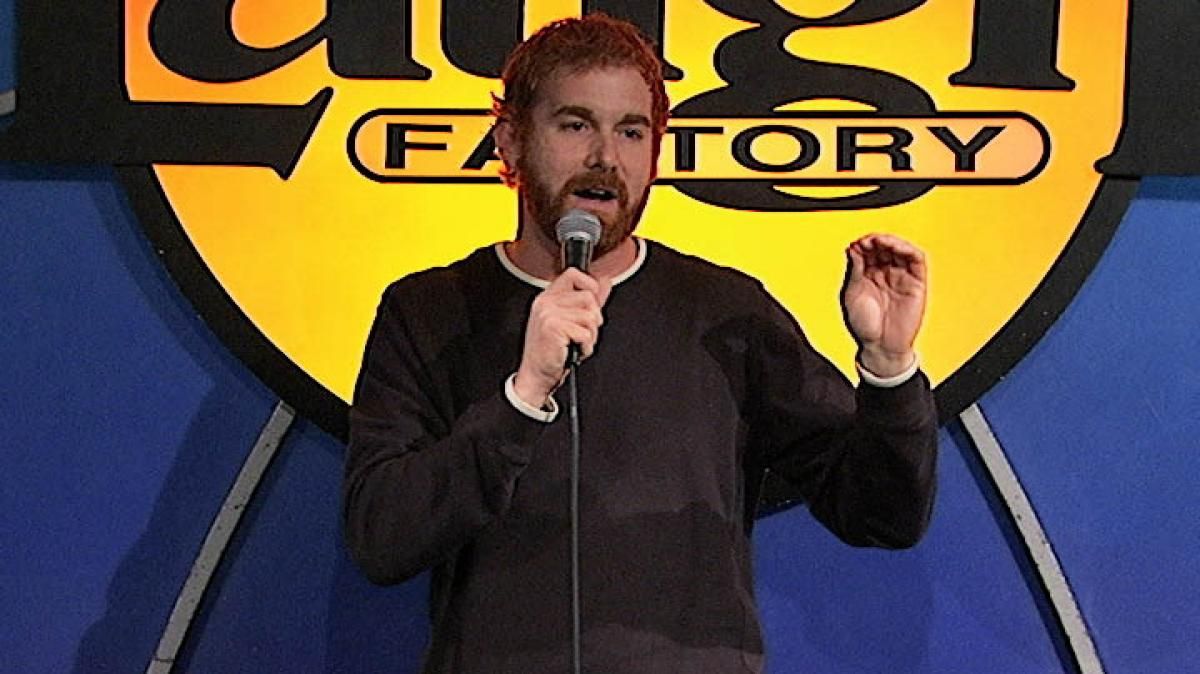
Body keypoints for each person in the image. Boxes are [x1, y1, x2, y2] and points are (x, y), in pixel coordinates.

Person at [343, 13, 937, 673]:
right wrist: (523, 397)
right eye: (575, 125)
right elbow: (381, 538)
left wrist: (888, 367)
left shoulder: (726, 313)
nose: (606, 157)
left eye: (632, 131)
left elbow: (883, 514)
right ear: (510, 141)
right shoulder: (429, 312)